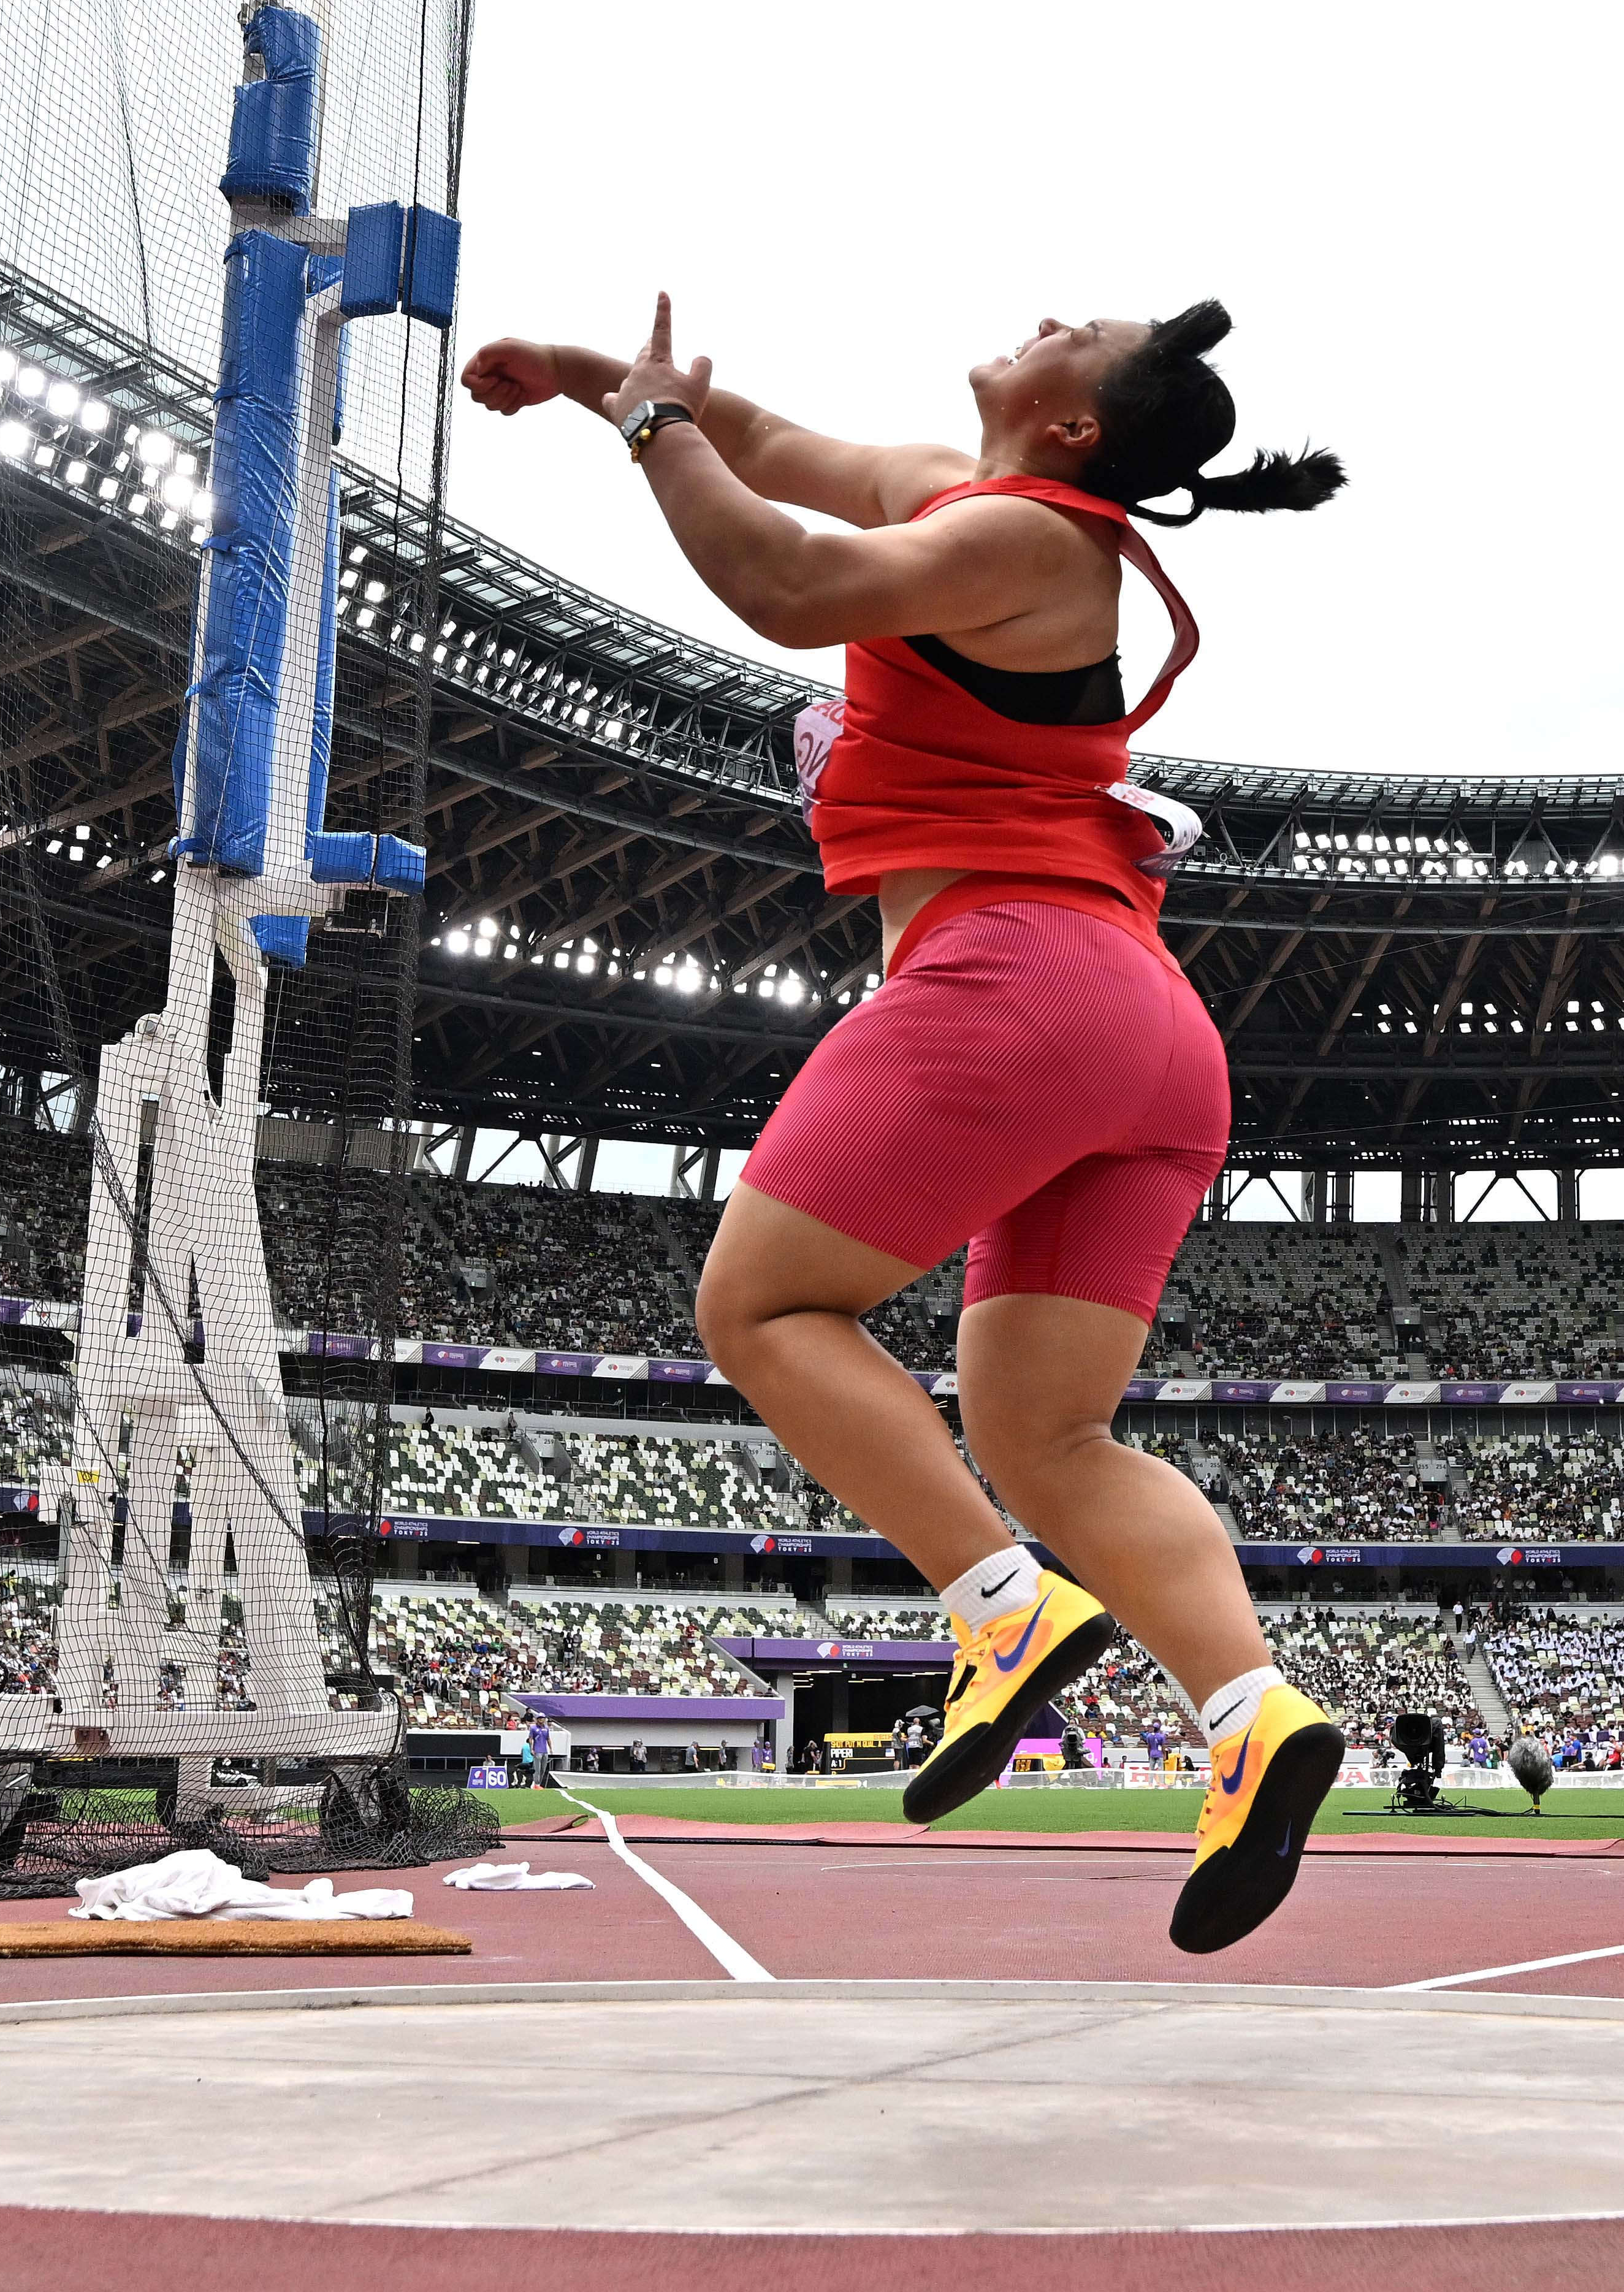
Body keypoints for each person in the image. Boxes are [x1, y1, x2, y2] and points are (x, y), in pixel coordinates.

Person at [467, 296, 1346, 1954]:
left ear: (1077, 422)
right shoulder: (986, 507)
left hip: (1014, 976)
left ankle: (996, 1608)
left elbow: (786, 587)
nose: (1045, 315)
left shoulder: (1021, 537)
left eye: (1078, 325)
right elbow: (785, 458)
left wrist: (652, 431)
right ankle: (1248, 1719)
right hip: (1147, 1030)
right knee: (1049, 1441)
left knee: (763, 1304)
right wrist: (607, 387)